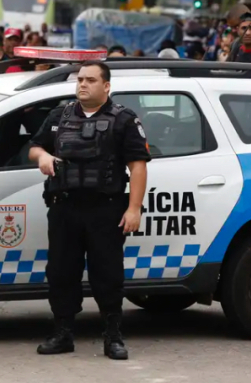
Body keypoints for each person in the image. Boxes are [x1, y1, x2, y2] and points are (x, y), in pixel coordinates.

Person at [28, 60, 150, 361]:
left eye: (91, 80)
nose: (83, 84)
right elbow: (33, 147)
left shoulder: (123, 119)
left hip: (104, 210)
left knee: (107, 275)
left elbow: (138, 166)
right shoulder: (60, 115)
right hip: (64, 207)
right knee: (60, 273)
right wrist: (42, 155)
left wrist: (134, 209)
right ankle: (63, 333)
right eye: (80, 79)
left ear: (106, 86)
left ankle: (113, 336)